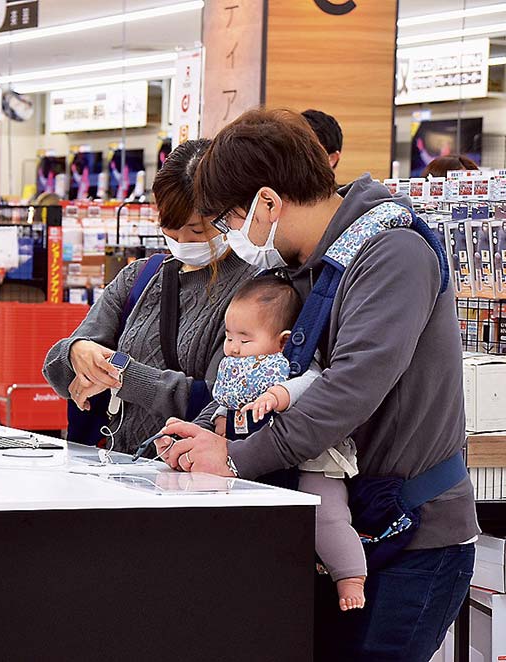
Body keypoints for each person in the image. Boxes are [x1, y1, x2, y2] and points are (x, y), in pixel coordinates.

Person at [156, 108, 477, 662]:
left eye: (231, 221)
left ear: (268, 202)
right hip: (343, 525)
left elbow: (352, 385)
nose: (233, 238)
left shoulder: (390, 252)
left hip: (413, 538)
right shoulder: (308, 263)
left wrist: (237, 459)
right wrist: (214, 431)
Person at [42, 140, 255, 454]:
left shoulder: (254, 290)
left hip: (184, 472)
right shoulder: (141, 275)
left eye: (197, 231)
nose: (182, 241)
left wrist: (120, 374)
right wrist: (77, 350)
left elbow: (220, 399)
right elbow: (57, 367)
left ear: (230, 214)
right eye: (170, 229)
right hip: (110, 463)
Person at [211, 277, 365, 612]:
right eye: (229, 337)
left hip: (313, 459)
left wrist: (278, 395)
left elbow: (312, 383)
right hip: (260, 463)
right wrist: (220, 419)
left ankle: (350, 574)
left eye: (244, 338)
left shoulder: (294, 364)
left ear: (281, 342)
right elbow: (225, 399)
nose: (233, 347)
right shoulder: (236, 368)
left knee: (328, 515)